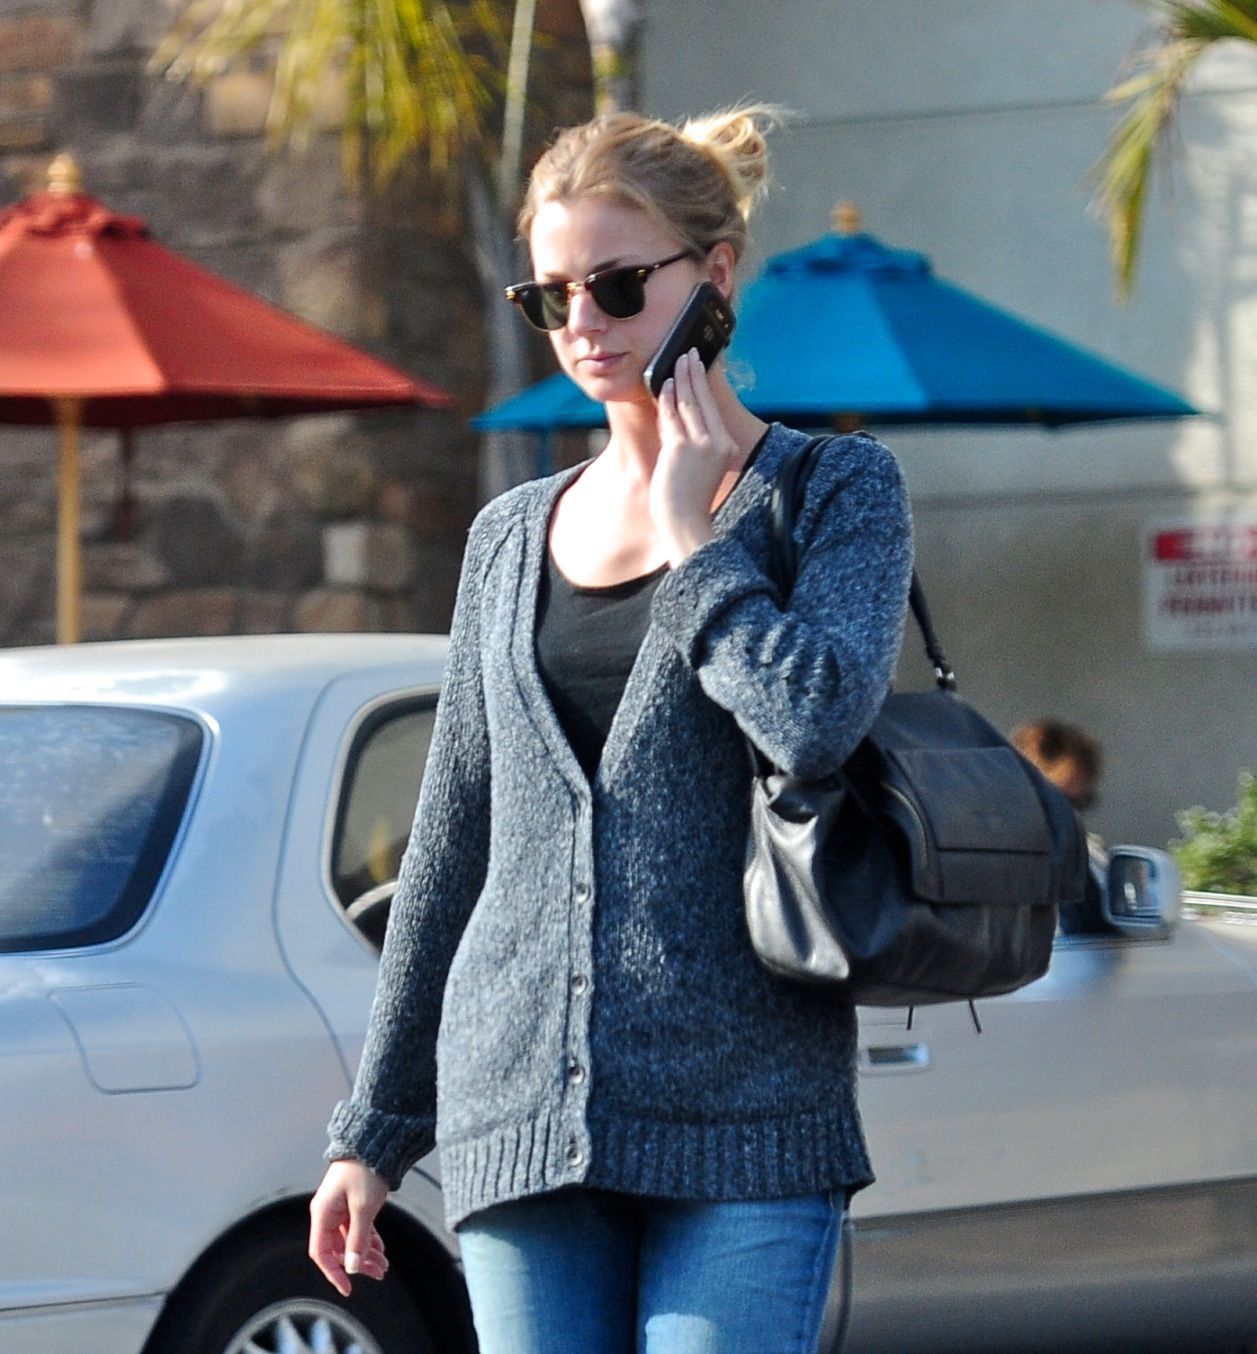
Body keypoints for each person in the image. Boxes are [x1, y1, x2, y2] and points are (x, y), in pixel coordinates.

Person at [308, 106, 914, 1354]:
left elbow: (811, 721)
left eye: (621, 286)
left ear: (717, 274)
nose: (585, 324)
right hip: (516, 1108)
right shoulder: (506, 536)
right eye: (553, 297)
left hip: (747, 1112)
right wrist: (373, 1129)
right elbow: (451, 842)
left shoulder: (836, 492)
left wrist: (700, 543)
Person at [1010, 718, 1111, 932]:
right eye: (1056, 800)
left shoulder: (1091, 859)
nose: (1069, 816)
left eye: (1080, 802)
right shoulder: (987, 862)